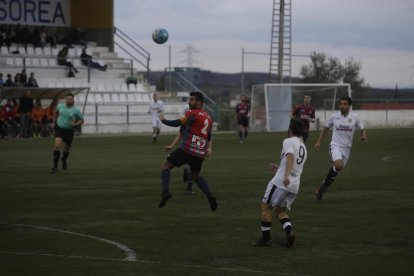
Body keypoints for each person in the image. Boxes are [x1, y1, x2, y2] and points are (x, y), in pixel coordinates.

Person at [158, 91, 217, 211]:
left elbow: (177, 123)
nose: (189, 102)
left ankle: (165, 192)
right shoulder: (209, 118)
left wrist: (164, 120)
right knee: (195, 177)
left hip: (187, 149)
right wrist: (209, 149)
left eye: (192, 100)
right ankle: (210, 196)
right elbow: (209, 136)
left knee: (165, 166)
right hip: (200, 153)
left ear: (199, 102)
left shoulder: (191, 113)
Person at [253, 118, 307, 247]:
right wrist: (279, 168)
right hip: (295, 184)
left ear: (290, 129)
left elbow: (290, 157)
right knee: (278, 210)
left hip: (282, 182)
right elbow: (294, 164)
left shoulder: (288, 141)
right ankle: (290, 232)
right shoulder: (303, 146)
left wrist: (285, 175)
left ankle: (266, 239)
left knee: (266, 206)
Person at [314, 96, 367, 201]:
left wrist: (363, 136)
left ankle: (321, 189)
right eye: (341, 104)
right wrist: (318, 141)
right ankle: (334, 164)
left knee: (337, 168)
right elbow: (326, 129)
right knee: (338, 165)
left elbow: (362, 128)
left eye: (345, 104)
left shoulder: (355, 117)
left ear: (349, 105)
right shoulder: (334, 116)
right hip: (335, 145)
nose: (342, 106)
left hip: (347, 149)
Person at [50, 93, 84, 174]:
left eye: (70, 99)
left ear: (73, 101)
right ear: (65, 100)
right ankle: (55, 167)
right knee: (57, 145)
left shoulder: (76, 110)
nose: (69, 100)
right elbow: (56, 113)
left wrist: (75, 124)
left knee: (66, 149)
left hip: (69, 131)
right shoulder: (60, 106)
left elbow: (82, 120)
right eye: (68, 99)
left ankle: (64, 159)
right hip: (59, 128)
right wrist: (54, 122)